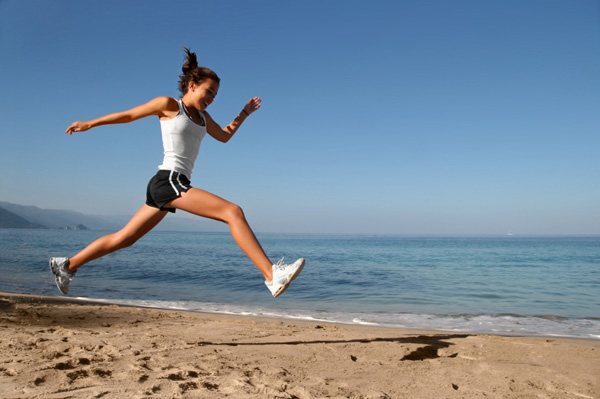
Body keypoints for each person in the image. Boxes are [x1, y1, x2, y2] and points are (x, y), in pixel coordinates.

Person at [49, 47, 305, 298]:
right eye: (209, 91)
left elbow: (224, 136)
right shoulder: (169, 105)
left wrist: (244, 113)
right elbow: (128, 115)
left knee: (124, 238)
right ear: (192, 85)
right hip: (169, 179)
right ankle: (272, 275)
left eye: (215, 95)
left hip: (169, 184)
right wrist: (90, 123)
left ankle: (66, 266)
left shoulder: (204, 118)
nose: (211, 98)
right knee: (233, 212)